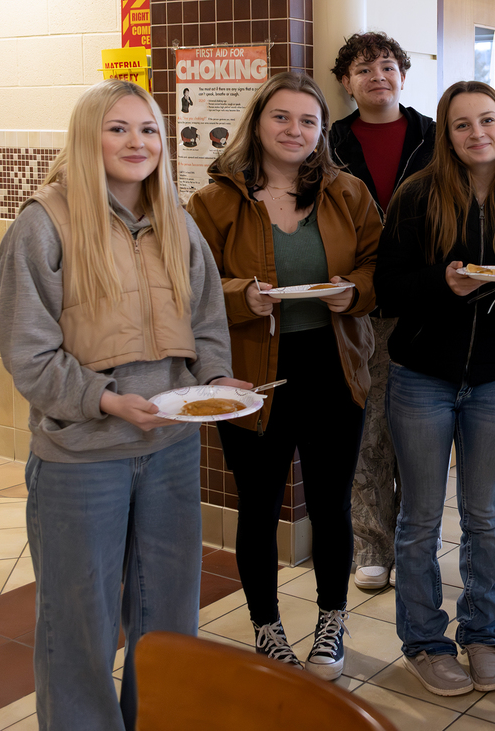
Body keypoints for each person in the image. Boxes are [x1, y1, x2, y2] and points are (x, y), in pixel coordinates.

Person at [0, 79, 241, 731]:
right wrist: (107, 399)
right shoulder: (41, 227)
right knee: (81, 626)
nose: (139, 142)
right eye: (118, 129)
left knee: (169, 618)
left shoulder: (177, 223)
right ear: (86, 137)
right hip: (83, 459)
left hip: (169, 452)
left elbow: (208, 320)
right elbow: (30, 355)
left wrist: (218, 377)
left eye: (149, 130)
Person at [186, 71, 382, 681]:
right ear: (258, 122)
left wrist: (355, 293)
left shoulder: (347, 193)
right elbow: (192, 289)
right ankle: (267, 631)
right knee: (259, 506)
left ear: (322, 131)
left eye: (307, 121)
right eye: (281, 117)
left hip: (334, 369)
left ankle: (331, 623)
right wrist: (243, 296)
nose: (294, 130)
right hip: (251, 375)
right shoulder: (214, 201)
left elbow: (378, 267)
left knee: (330, 504)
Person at [375, 80, 495, 697]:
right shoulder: (416, 196)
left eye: (488, 121)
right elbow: (387, 290)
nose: (477, 133)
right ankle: (425, 643)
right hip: (420, 378)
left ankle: (483, 635)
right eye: (462, 124)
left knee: (484, 516)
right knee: (420, 517)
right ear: (446, 135)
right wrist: (440, 285)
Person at [330, 30, 435, 590]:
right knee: (367, 428)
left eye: (388, 65)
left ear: (403, 74)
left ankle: (417, 540)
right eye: (364, 68)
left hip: (422, 300)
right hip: (358, 302)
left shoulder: (433, 136)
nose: (378, 75)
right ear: (346, 82)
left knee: (416, 429)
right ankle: (371, 545)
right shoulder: (329, 141)